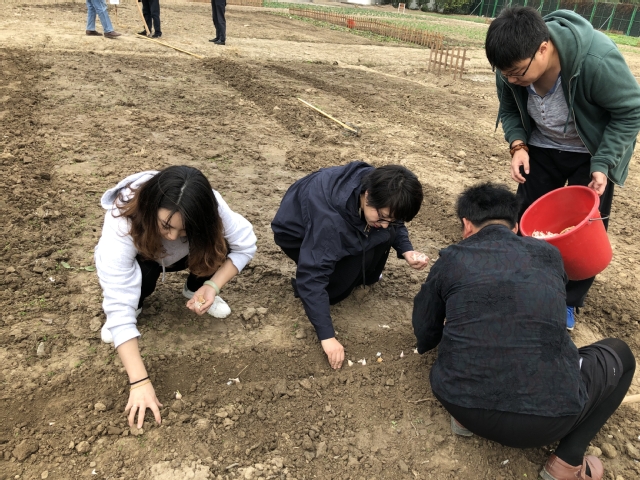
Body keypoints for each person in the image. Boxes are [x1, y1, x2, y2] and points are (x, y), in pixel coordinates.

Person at [412, 183, 635, 480]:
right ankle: (567, 461)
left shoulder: (452, 257)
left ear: (466, 225)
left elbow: (425, 328)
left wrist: (436, 340)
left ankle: (464, 422)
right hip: (548, 422)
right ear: (516, 226)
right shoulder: (549, 254)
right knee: (621, 354)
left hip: (459, 401)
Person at [484, 7, 640, 330]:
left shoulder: (595, 60)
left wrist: (604, 162)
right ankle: (526, 283)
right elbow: (509, 108)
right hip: (541, 146)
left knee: (583, 229)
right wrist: (518, 145)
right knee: (527, 218)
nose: (511, 80)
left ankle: (567, 301)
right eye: (505, 74)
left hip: (590, 151)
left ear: (543, 49)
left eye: (517, 73)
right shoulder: (511, 68)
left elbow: (631, 111)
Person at [95, 166, 257, 427]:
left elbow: (246, 245)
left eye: (183, 231)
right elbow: (117, 297)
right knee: (131, 295)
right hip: (145, 258)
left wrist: (213, 286)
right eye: (166, 226)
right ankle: (135, 307)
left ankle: (195, 287)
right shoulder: (123, 220)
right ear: (150, 208)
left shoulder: (210, 207)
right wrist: (140, 382)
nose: (172, 237)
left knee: (221, 244)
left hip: (184, 257)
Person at [272, 161, 429, 370]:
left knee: (381, 233)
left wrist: (406, 250)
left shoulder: (380, 188)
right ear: (367, 195)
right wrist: (327, 337)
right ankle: (338, 288)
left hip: (334, 223)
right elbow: (312, 276)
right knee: (342, 269)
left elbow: (393, 221)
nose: (385, 223)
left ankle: (363, 275)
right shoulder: (331, 222)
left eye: (391, 220)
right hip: (296, 234)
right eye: (382, 217)